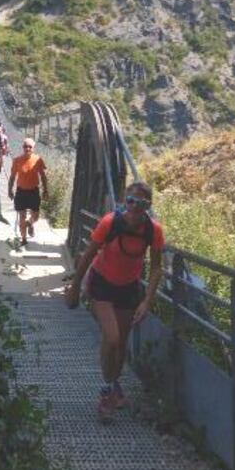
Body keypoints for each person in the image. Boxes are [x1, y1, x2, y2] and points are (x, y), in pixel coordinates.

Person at [65, 181, 164, 423]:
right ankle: (107, 388)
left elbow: (157, 267)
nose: (134, 208)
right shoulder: (110, 223)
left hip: (128, 289)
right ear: (124, 201)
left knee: (120, 346)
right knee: (112, 338)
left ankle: (113, 384)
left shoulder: (153, 231)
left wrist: (146, 301)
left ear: (148, 206)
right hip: (101, 285)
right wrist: (76, 287)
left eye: (141, 204)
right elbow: (88, 255)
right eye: (130, 201)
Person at [8, 138, 48, 246]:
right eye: (25, 146)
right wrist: (10, 190)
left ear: (33, 148)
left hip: (33, 192)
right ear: (23, 148)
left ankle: (29, 223)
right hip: (21, 192)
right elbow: (12, 177)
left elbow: (43, 176)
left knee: (35, 217)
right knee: (21, 216)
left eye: (30, 147)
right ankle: (24, 238)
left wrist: (45, 190)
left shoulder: (38, 160)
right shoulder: (17, 160)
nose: (27, 148)